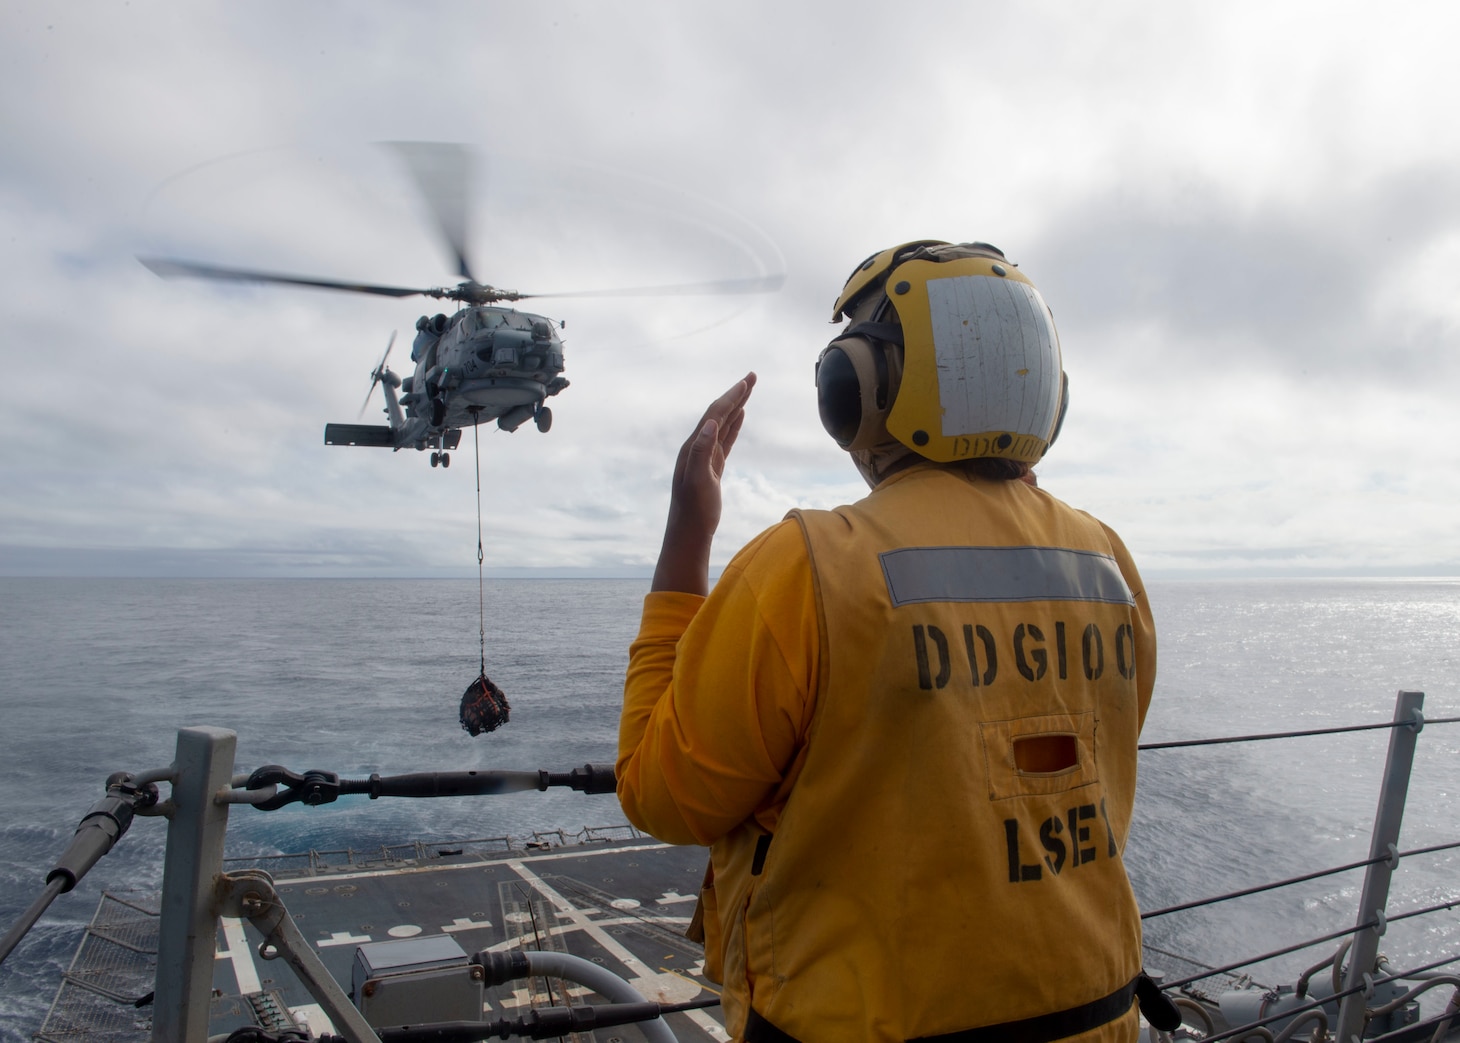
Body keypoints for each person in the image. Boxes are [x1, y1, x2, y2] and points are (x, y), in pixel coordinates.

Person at [617, 241, 1157, 1043]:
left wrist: (686, 532)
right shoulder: (1106, 562)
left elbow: (661, 791)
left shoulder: (807, 568)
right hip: (1102, 1016)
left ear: (858, 388)